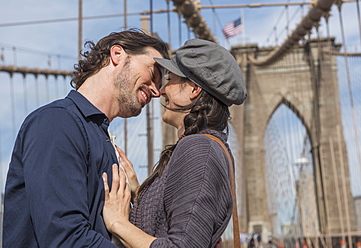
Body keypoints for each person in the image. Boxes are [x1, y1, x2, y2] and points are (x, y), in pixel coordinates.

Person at [2, 29, 169, 247]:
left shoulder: (100, 137)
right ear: (117, 54)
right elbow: (65, 239)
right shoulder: (57, 123)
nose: (157, 91)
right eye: (153, 72)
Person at [102, 39, 248, 247]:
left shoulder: (200, 150)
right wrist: (139, 194)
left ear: (194, 90)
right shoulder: (204, 147)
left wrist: (117, 222)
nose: (161, 91)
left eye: (170, 79)